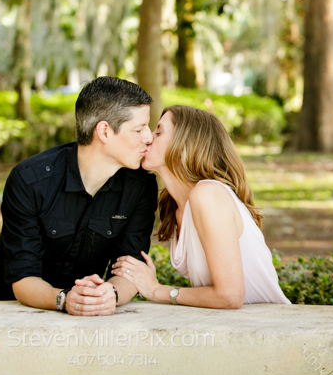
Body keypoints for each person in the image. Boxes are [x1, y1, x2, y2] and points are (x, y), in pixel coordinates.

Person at [0, 76, 159, 316]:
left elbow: (129, 269)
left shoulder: (140, 185)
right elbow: (23, 278)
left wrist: (110, 295)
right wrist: (64, 299)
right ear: (104, 131)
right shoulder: (29, 180)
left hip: (70, 310)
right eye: (139, 129)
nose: (149, 137)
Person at [111, 105, 291, 308]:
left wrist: (155, 290)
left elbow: (230, 296)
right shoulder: (177, 207)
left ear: (185, 143)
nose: (148, 138)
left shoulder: (207, 194)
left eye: (159, 131)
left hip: (265, 327)